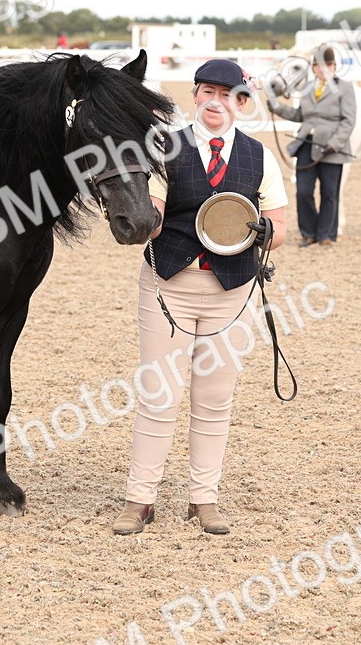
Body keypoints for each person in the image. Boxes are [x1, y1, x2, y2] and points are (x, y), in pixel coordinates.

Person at [112, 59, 288, 535]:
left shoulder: (259, 156)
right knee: (159, 393)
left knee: (214, 397)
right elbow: (156, 207)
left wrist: (264, 232)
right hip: (170, 283)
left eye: (228, 94)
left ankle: (203, 499)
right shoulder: (166, 146)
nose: (216, 101)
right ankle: (139, 499)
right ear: (195, 96)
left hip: (231, 290)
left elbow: (280, 226)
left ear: (242, 103)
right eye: (207, 91)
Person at [267, 45, 356, 247]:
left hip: (332, 148)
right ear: (314, 67)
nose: (323, 70)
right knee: (303, 191)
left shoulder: (345, 88)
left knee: (329, 192)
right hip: (307, 144)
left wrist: (334, 143)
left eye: (328, 66)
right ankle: (309, 233)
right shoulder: (308, 88)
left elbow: (348, 121)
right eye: (319, 66)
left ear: (334, 67)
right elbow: (300, 115)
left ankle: (325, 235)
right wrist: (278, 108)